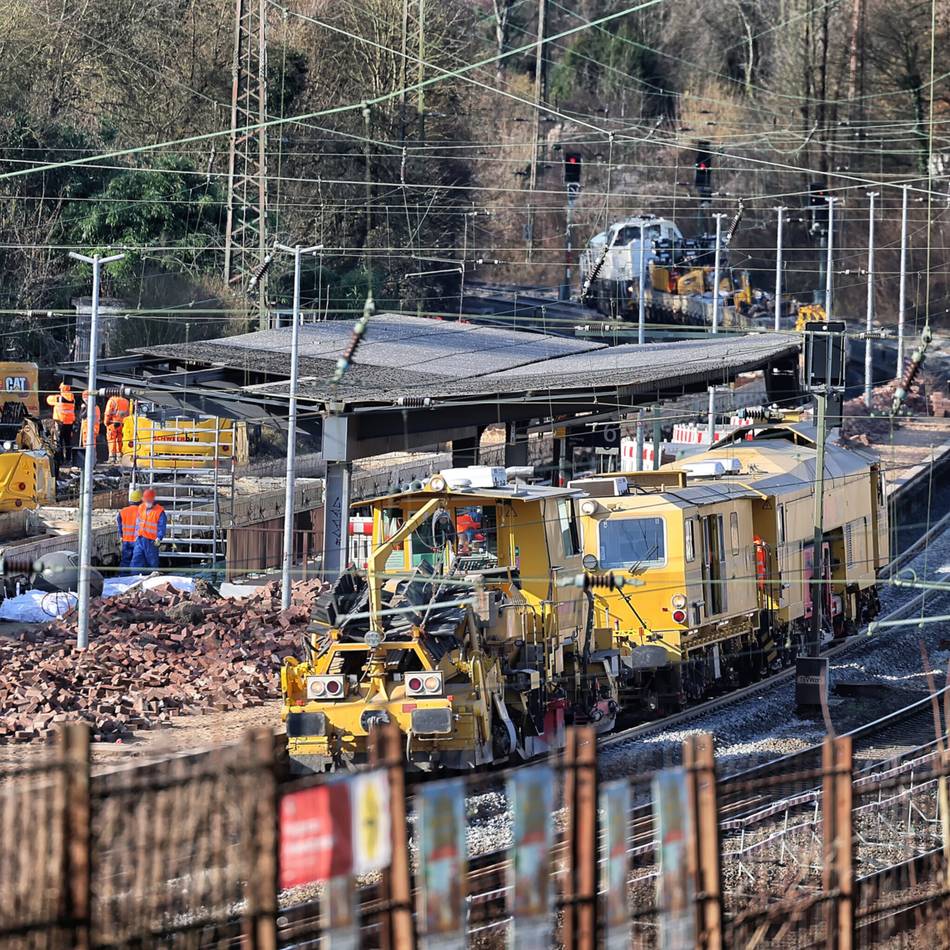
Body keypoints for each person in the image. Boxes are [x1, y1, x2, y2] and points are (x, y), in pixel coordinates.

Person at [130, 487, 167, 571]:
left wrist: (159, 537)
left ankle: (154, 576)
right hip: (140, 539)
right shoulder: (141, 508)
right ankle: (135, 577)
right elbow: (138, 522)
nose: (147, 502)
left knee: (152, 562)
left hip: (151, 541)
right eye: (146, 500)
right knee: (136, 560)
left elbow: (162, 526)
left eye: (149, 500)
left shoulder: (159, 512)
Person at [46, 382, 75, 465]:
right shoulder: (72, 398)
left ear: (62, 389)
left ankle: (61, 460)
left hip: (60, 423)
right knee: (68, 441)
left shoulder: (59, 398)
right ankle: (68, 459)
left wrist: (56, 396)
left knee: (59, 442)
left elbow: (48, 400)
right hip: (69, 423)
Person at [116, 488, 143, 572]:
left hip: (126, 540)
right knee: (137, 562)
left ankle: (122, 577)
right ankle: (135, 577)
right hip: (138, 541)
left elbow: (119, 525)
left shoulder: (123, 511)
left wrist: (121, 536)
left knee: (125, 561)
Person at [104, 393, 131, 463]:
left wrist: (106, 422)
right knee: (120, 439)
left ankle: (112, 457)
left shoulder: (112, 400)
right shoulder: (126, 401)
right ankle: (119, 457)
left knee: (111, 439)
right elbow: (128, 413)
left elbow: (108, 413)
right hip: (122, 423)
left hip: (112, 423)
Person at [76, 401, 101, 466]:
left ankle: (89, 463)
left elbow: (82, 416)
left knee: (88, 446)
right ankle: (93, 461)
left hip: (88, 429)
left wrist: (83, 408)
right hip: (94, 429)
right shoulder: (97, 408)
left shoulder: (90, 408)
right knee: (93, 446)